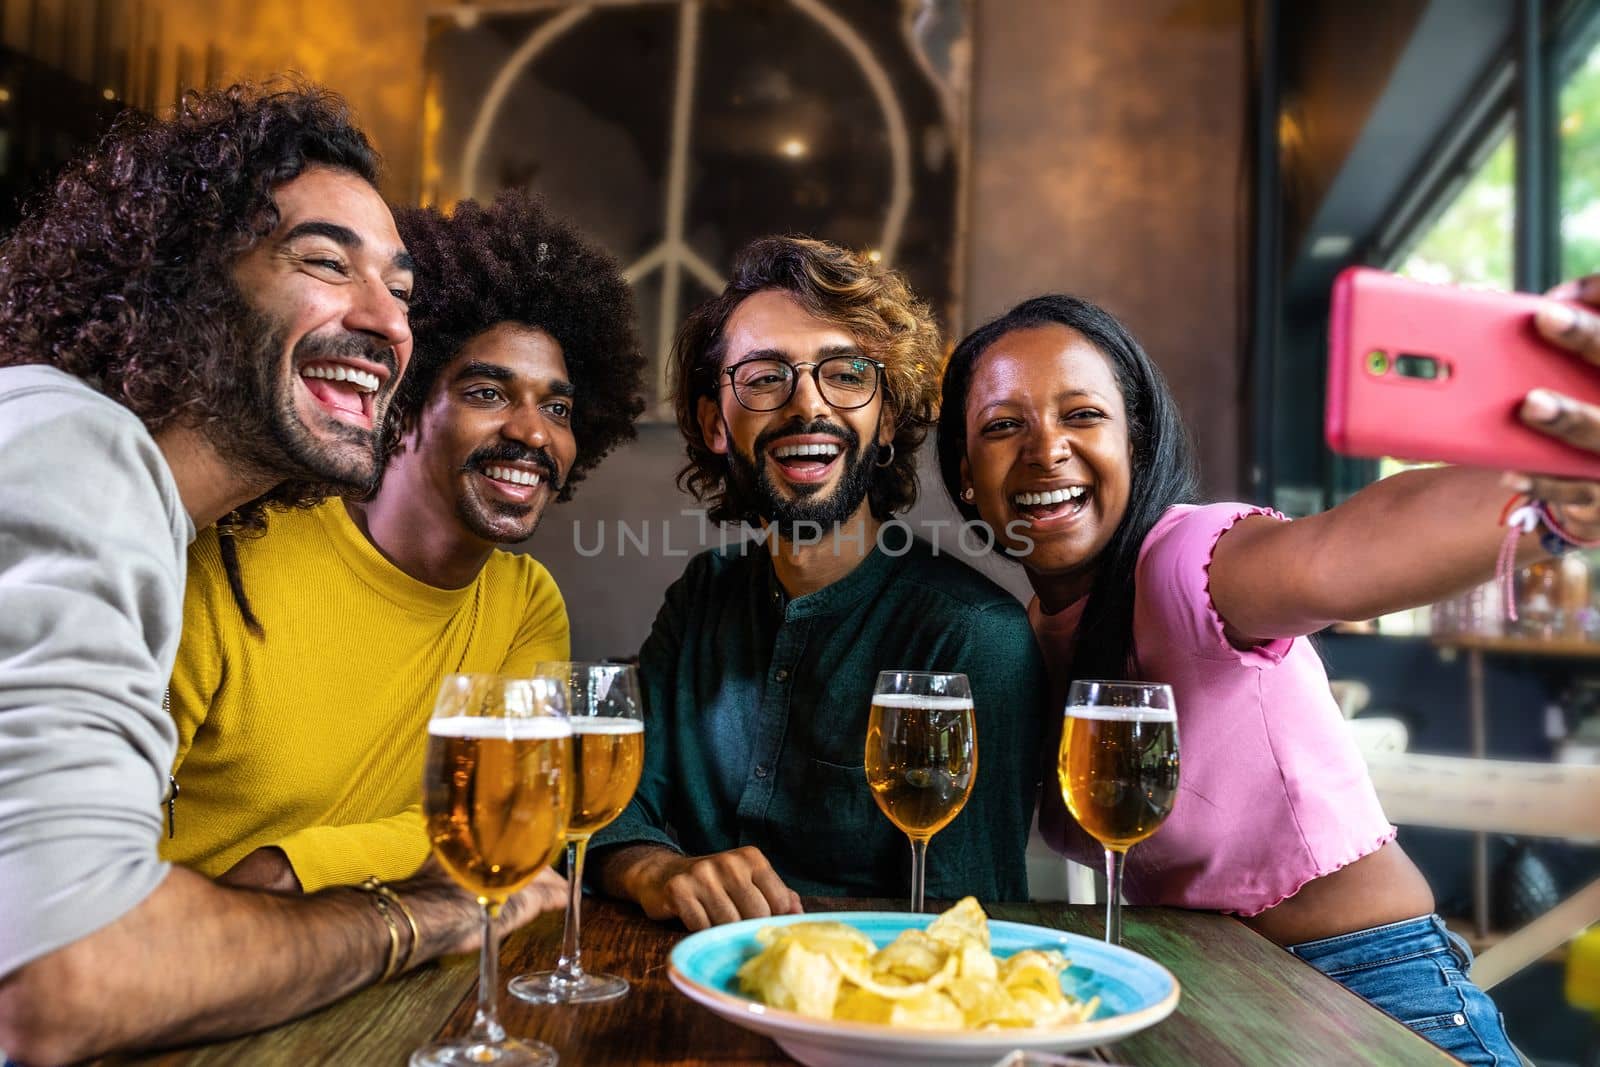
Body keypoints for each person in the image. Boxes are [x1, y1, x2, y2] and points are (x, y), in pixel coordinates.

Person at [0, 85, 558, 1065]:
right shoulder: (76, 449)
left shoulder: (146, 508)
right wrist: (418, 918)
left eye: (402, 291)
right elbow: (66, 974)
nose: (389, 324)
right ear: (188, 280)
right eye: (324, 261)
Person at [936, 292, 1600, 1065]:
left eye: (1082, 414)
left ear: (1137, 443)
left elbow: (1337, 557)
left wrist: (1549, 501)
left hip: (1368, 991)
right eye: (1003, 424)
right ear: (966, 473)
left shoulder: (1186, 561)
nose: (1045, 448)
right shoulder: (1018, 632)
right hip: (1205, 997)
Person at [162, 191, 645, 894]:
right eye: (487, 392)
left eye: (559, 407)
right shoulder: (234, 549)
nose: (534, 433)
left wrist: (292, 868)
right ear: (404, 404)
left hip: (372, 965)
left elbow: (514, 808)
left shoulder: (523, 602)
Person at [586, 236, 1046, 931]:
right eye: (766, 377)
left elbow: (966, 928)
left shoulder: (974, 636)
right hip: (678, 983)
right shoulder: (700, 596)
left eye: (846, 373)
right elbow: (613, 802)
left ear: (887, 414)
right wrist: (657, 868)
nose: (808, 407)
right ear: (717, 422)